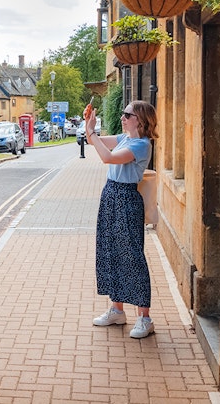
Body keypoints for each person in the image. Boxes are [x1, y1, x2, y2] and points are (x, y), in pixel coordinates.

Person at [83, 100, 157, 339]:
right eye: (123, 113)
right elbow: (93, 142)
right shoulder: (125, 138)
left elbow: (107, 157)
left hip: (126, 198)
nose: (123, 117)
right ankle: (117, 310)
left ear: (140, 120)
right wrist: (88, 126)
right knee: (111, 251)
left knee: (133, 256)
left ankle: (145, 318)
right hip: (110, 193)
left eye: (128, 114)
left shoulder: (141, 145)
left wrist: (93, 133)